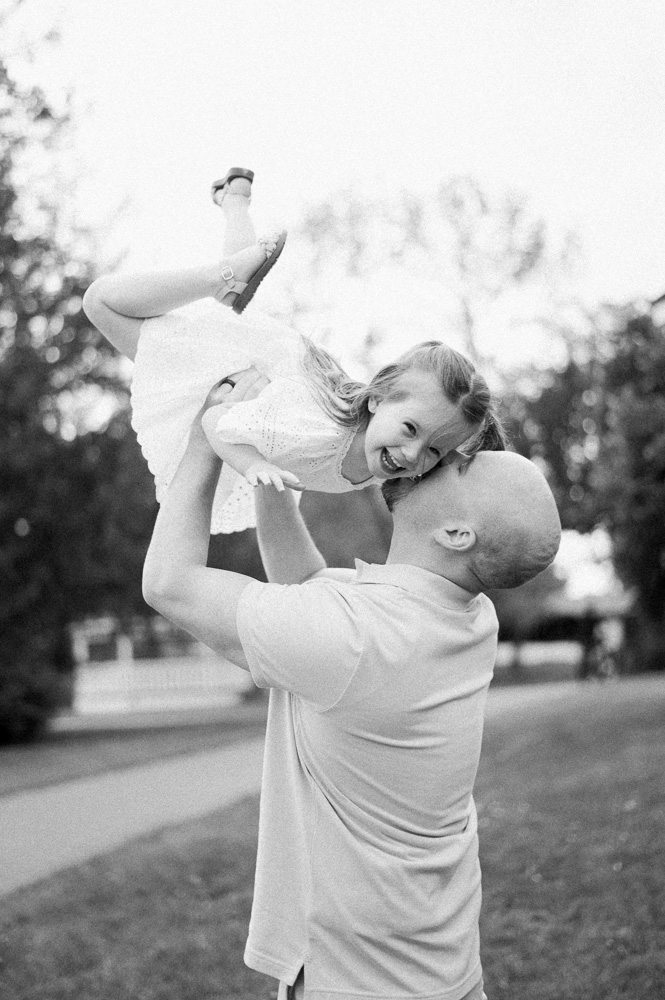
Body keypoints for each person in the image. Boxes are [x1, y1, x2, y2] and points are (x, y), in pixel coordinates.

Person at [139, 367, 562, 1000]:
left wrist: (208, 435)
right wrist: (272, 469)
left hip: (358, 986)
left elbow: (168, 583)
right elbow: (310, 594)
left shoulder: (357, 638)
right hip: (441, 976)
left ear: (456, 533)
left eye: (456, 464)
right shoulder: (465, 618)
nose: (430, 460)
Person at [82, 169, 506, 534]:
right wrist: (250, 464)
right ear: (377, 398)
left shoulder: (388, 461)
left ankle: (234, 203)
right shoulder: (320, 433)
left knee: (237, 309)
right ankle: (222, 276)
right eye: (411, 429)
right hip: (229, 374)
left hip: (276, 367)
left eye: (433, 450)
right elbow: (215, 419)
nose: (414, 455)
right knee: (100, 303)